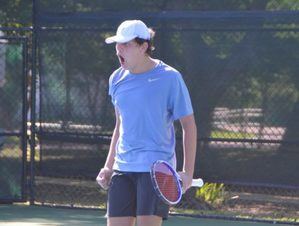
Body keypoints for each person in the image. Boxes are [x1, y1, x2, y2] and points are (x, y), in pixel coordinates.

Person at [96, 20, 197, 226]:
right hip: (122, 169)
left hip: (156, 170)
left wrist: (187, 172)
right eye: (117, 44)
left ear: (144, 47)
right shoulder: (116, 79)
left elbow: (189, 125)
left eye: (126, 45)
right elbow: (120, 125)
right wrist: (108, 166)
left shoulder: (170, 78)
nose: (119, 49)